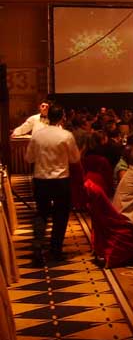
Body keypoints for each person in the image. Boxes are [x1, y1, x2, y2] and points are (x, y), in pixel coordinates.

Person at [24, 104, 81, 265]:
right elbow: (75, 159)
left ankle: (38, 246)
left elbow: (29, 158)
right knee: (61, 215)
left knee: (41, 213)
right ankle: (55, 250)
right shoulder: (66, 135)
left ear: (48, 117)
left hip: (41, 179)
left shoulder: (37, 135)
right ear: (62, 117)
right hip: (60, 180)